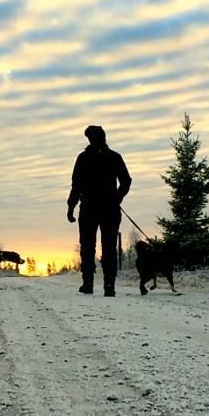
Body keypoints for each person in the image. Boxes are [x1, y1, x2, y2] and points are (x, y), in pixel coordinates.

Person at [66, 125, 132, 296]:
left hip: (90, 208)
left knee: (88, 247)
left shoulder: (84, 158)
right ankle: (107, 286)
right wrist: (117, 198)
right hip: (107, 208)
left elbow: (76, 186)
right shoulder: (114, 157)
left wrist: (71, 207)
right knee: (107, 247)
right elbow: (126, 181)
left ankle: (89, 284)